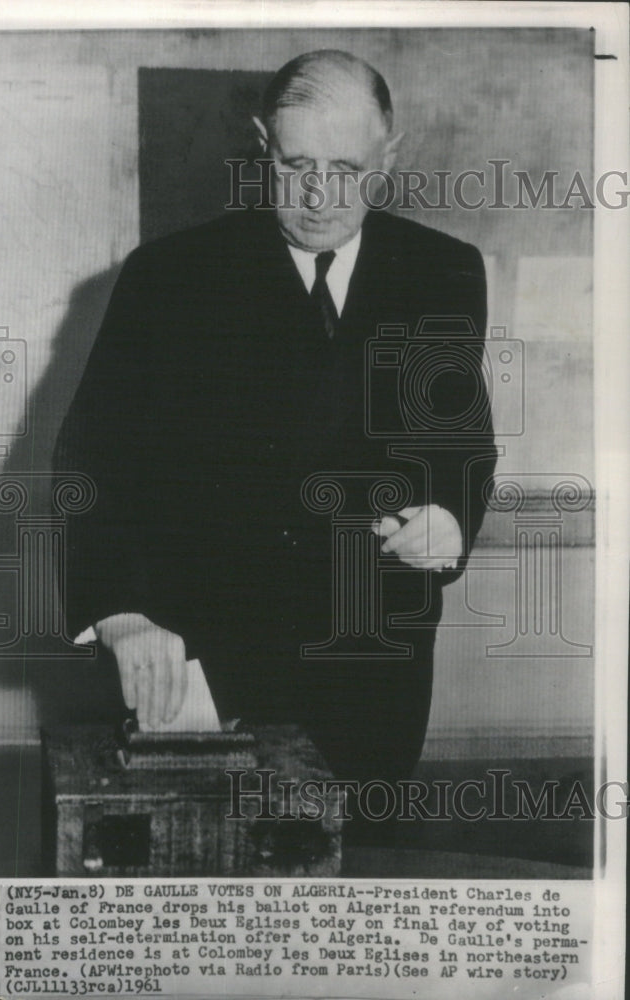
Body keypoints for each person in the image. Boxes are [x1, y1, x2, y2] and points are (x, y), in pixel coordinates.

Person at [54, 49, 497, 844]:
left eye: (346, 168)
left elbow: (460, 443)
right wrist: (119, 613)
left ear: (389, 151)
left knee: (354, 877)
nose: (320, 196)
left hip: (374, 660)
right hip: (200, 652)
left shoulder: (442, 272)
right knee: (194, 885)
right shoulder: (168, 277)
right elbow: (91, 460)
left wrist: (448, 517)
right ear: (262, 145)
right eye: (295, 166)